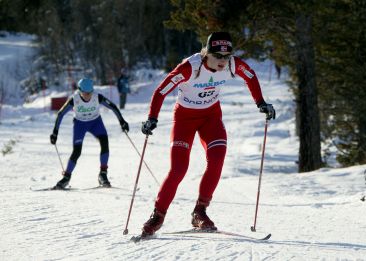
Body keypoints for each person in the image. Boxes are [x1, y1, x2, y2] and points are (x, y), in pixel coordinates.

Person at [139, 32, 276, 237]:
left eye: (227, 56)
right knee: (178, 169)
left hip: (211, 118)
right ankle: (158, 215)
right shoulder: (189, 68)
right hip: (184, 119)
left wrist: (261, 103)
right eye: (218, 56)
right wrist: (152, 117)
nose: (223, 61)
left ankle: (200, 211)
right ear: (206, 53)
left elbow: (250, 76)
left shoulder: (232, 64)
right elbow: (161, 91)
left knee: (217, 160)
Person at [50, 78, 129, 189]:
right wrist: (55, 133)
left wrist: (122, 121)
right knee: (77, 151)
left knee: (104, 142)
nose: (88, 95)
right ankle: (66, 178)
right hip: (80, 125)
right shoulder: (74, 99)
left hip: (95, 123)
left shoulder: (97, 97)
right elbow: (60, 114)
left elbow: (113, 107)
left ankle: (103, 174)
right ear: (79, 91)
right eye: (85, 93)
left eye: (90, 93)